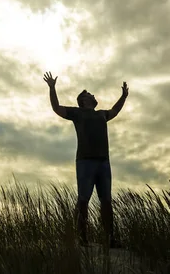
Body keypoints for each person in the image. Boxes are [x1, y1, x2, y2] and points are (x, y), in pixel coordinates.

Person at [43, 71, 128, 249]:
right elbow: (56, 108)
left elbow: (116, 110)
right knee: (83, 199)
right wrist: (52, 88)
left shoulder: (102, 115)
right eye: (89, 95)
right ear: (83, 100)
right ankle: (82, 238)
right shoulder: (77, 113)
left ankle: (110, 239)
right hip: (85, 162)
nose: (93, 95)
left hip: (104, 162)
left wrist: (123, 96)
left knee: (106, 201)